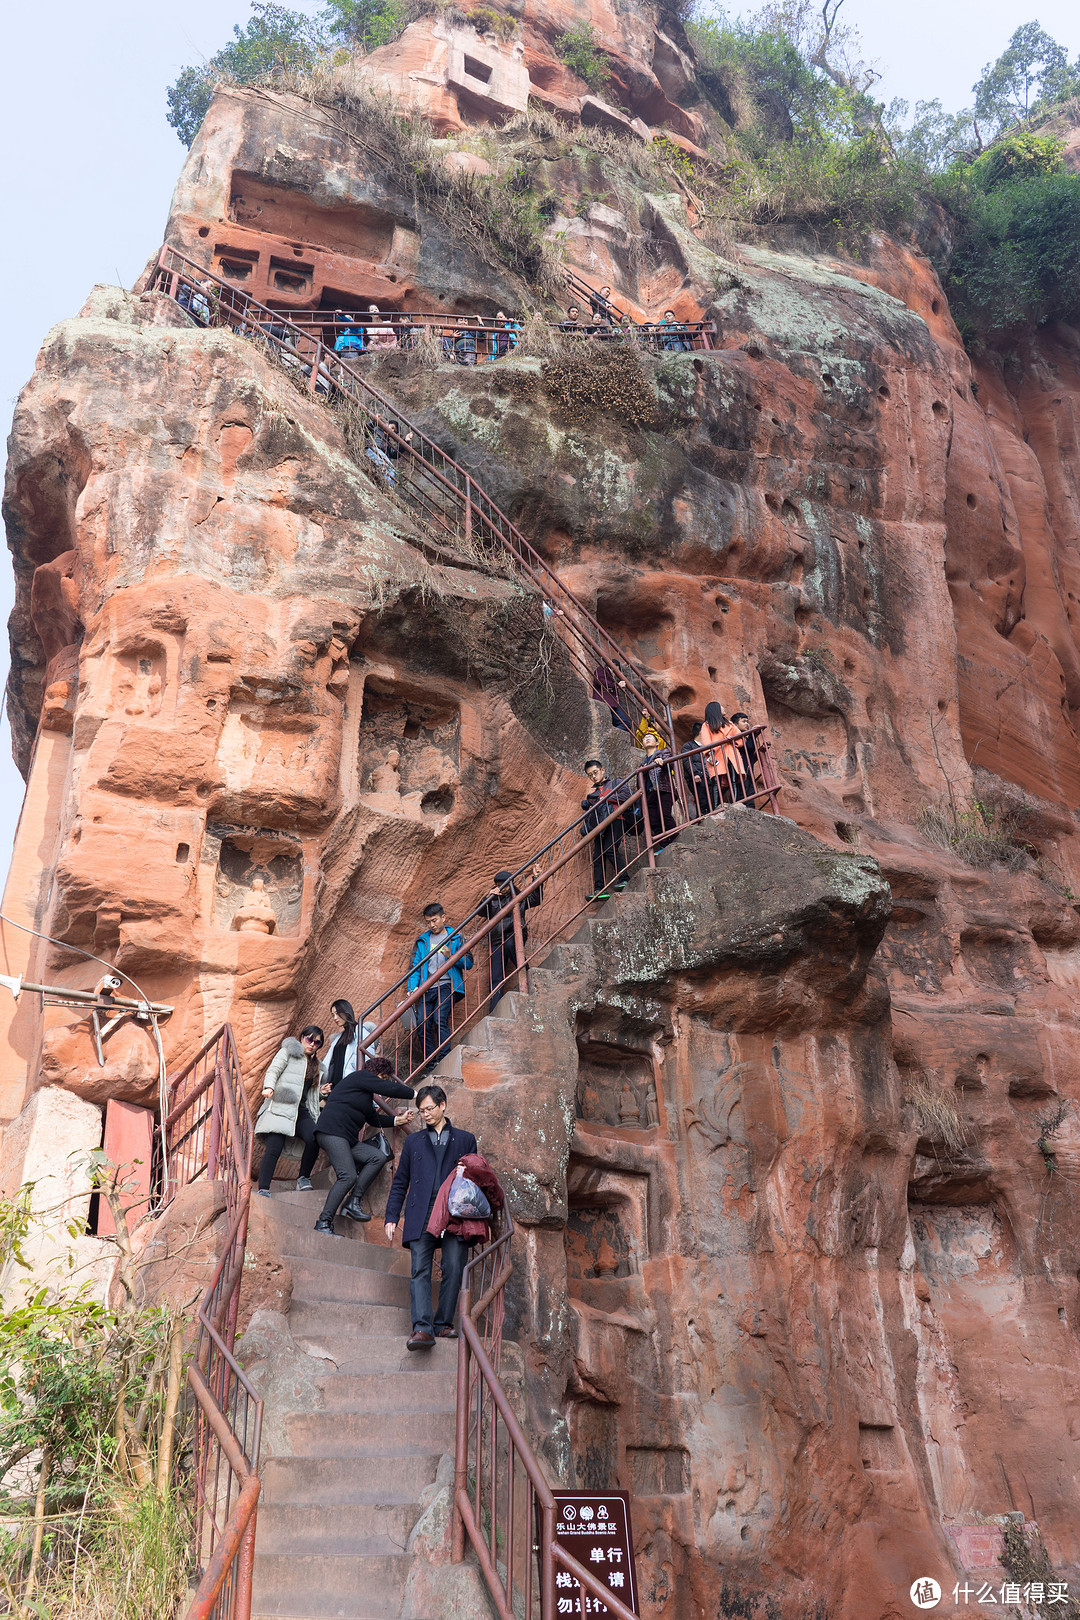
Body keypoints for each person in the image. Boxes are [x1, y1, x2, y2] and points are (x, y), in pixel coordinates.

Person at [384, 1085, 478, 1348]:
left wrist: (466, 1171)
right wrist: (391, 1216)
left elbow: (475, 1179)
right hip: (421, 1212)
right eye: (421, 1110)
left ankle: (443, 1324)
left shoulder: (465, 1139)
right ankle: (422, 1329)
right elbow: (401, 1181)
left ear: (443, 1105)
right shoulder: (414, 1141)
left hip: (454, 1213)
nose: (424, 1114)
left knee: (453, 1267)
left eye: (429, 1109)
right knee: (420, 1270)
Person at [314, 1056, 416, 1234]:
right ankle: (323, 1222)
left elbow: (372, 1119)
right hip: (332, 1132)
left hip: (346, 1138)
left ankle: (353, 1202)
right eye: (383, 1078)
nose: (382, 1085)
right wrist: (416, 1094)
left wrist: (397, 1120)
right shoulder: (360, 1077)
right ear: (378, 1074)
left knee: (377, 1157)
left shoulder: (363, 1093)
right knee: (347, 1176)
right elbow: (387, 1088)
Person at [254, 1026, 324, 1196]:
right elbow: (274, 1070)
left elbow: (308, 1092)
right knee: (274, 1146)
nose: (312, 1044)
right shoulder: (287, 1053)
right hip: (281, 1106)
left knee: (314, 1137)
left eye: (317, 1042)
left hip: (301, 1110)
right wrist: (269, 1087)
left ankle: (303, 1178)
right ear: (301, 1038)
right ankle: (263, 1188)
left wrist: (323, 1092)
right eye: (309, 1039)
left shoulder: (317, 1066)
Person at [408, 903, 473, 1070]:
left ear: (443, 918)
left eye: (435, 920)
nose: (432, 925)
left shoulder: (456, 938)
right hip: (426, 988)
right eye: (428, 922)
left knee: (439, 1019)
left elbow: (469, 963)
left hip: (447, 985)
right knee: (422, 1024)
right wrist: (412, 988)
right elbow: (414, 967)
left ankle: (444, 1058)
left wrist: (451, 956)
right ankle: (430, 1064)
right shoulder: (423, 941)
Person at [479, 864, 543, 1009]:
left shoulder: (518, 897)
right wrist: (488, 897)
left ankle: (531, 980)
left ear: (512, 883)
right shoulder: (493, 900)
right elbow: (481, 912)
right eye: (499, 885)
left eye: (505, 885)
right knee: (496, 976)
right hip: (497, 939)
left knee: (510, 945)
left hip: (515, 935)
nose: (503, 888)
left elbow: (535, 899)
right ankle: (494, 1010)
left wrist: (536, 878)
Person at [581, 759, 631, 900]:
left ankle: (624, 879)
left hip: (617, 819)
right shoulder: (594, 794)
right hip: (601, 824)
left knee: (610, 849)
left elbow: (626, 795)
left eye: (595, 772)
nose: (594, 777)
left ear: (602, 770)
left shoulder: (615, 783)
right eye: (590, 775)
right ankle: (599, 889)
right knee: (597, 856)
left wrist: (604, 798)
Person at [699, 700, 748, 805]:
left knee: (734, 779)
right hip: (716, 755)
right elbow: (706, 742)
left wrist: (732, 740)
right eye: (721, 707)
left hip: (731, 754)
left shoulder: (729, 724)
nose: (724, 708)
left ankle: (735, 804)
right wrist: (710, 754)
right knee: (716, 782)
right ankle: (717, 807)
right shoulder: (707, 725)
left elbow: (741, 739)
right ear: (716, 710)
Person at [640, 731, 678, 846]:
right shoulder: (642, 763)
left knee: (664, 815)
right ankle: (664, 845)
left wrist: (663, 762)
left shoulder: (663, 753)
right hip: (649, 793)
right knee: (654, 820)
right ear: (642, 745)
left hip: (663, 789)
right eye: (645, 738)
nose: (647, 738)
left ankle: (676, 839)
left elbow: (671, 765)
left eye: (650, 737)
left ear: (657, 743)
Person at [681, 720, 710, 817]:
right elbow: (687, 761)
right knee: (701, 799)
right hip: (697, 777)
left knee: (710, 799)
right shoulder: (688, 746)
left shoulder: (707, 746)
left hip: (708, 776)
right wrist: (695, 774)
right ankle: (702, 819)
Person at [592, 666, 632, 732]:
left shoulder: (609, 675)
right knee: (625, 723)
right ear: (615, 666)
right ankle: (610, 735)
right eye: (618, 671)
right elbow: (599, 680)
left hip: (611, 703)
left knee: (624, 724)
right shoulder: (602, 669)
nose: (616, 674)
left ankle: (611, 735)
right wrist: (616, 685)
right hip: (606, 701)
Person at [729, 712, 759, 798]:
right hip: (740, 772)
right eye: (743, 721)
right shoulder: (734, 737)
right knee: (743, 795)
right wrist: (753, 733)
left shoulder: (745, 737)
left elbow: (750, 749)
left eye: (747, 721)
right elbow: (748, 747)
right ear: (735, 724)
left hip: (748, 771)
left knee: (750, 796)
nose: (746, 724)